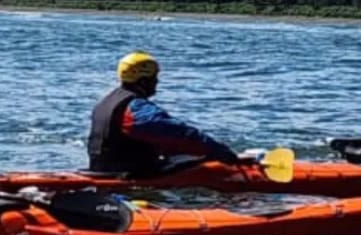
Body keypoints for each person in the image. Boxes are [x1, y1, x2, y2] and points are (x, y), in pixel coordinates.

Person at [88, 51, 244, 173]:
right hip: (130, 173)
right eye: (154, 77)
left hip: (102, 168)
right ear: (143, 81)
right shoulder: (136, 108)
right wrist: (218, 150)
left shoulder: (105, 102)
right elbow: (181, 133)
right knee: (205, 158)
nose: (157, 82)